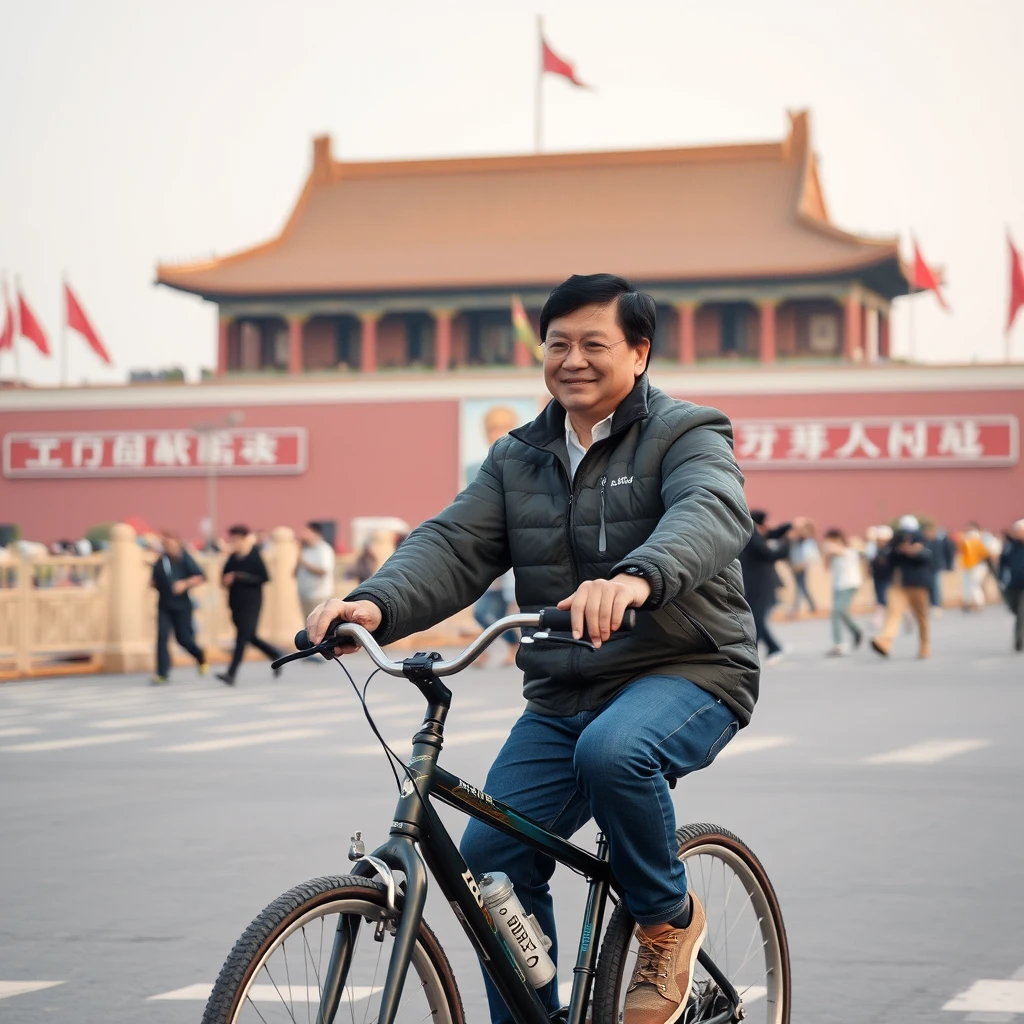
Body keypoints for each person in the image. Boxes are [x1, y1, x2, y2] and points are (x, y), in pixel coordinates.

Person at [307, 274, 756, 1024]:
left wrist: (637, 578)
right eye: (558, 344)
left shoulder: (688, 432)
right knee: (491, 859)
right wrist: (375, 603)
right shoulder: (518, 456)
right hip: (565, 688)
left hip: (689, 668)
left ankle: (665, 922)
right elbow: (454, 544)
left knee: (615, 753)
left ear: (639, 353)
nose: (572, 359)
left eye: (594, 344)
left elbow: (709, 510)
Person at [217, 525, 282, 685]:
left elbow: (264, 578)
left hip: (252, 603)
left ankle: (231, 673)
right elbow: (223, 578)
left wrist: (240, 576)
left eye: (237, 540)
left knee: (241, 638)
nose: (235, 543)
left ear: (246, 539)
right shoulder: (232, 558)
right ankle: (275, 654)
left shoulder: (254, 555)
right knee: (249, 636)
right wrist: (227, 579)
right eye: (232, 540)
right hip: (235, 603)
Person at [870, 514, 933, 659]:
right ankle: (884, 641)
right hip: (899, 585)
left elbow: (927, 557)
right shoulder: (895, 544)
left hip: (919, 585)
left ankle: (925, 646)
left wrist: (911, 551)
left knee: (922, 618)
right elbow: (887, 562)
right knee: (893, 614)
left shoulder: (922, 541)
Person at [150, 532, 207, 684]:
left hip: (182, 606)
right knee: (162, 637)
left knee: (184, 639)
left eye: (172, 544)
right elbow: (154, 581)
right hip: (164, 606)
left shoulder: (184, 558)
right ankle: (162, 673)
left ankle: (200, 655)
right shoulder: (161, 561)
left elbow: (201, 576)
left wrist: (184, 584)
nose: (169, 548)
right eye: (166, 545)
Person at [739, 511, 791, 665]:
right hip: (757, 583)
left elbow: (772, 534)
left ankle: (766, 649)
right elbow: (772, 554)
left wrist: (787, 527)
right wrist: (788, 539)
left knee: (757, 617)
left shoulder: (748, 531)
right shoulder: (751, 534)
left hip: (758, 582)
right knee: (756, 617)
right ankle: (770, 648)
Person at [821, 529, 863, 656]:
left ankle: (839, 644)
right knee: (842, 612)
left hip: (849, 585)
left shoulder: (849, 551)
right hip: (838, 586)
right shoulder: (833, 554)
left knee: (836, 612)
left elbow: (836, 550)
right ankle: (856, 630)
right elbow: (826, 567)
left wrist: (829, 547)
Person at [472, 569, 519, 667]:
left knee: (498, 621)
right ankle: (483, 651)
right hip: (485, 588)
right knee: (480, 615)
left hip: (500, 589)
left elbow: (510, 571)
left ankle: (512, 645)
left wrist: (511, 596)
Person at [295, 522, 336, 620]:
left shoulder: (324, 549)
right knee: (307, 625)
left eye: (307, 532)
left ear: (315, 533)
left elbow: (323, 571)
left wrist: (304, 562)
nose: (304, 535)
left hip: (319, 595)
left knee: (318, 623)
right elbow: (295, 572)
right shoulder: (305, 549)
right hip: (304, 595)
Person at [997, 519, 1024, 652]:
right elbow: (1002, 563)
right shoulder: (1009, 546)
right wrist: (1000, 577)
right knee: (1015, 609)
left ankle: (1019, 640)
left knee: (1021, 613)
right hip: (1013, 584)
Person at [787, 517, 819, 616]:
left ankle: (795, 609)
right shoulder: (798, 541)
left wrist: (801, 565)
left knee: (800, 587)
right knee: (802, 587)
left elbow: (811, 556)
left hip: (801, 567)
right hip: (795, 566)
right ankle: (812, 605)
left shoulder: (808, 542)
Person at [922, 521, 955, 612]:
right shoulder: (924, 542)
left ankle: (936, 604)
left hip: (936, 567)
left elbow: (948, 553)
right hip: (926, 568)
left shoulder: (939, 542)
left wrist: (949, 565)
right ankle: (929, 604)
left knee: (936, 586)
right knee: (927, 587)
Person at [958, 522, 989, 611]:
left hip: (975, 566)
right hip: (970, 565)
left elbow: (984, 554)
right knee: (970, 585)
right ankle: (968, 603)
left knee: (973, 585)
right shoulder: (970, 541)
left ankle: (977, 603)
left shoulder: (975, 541)